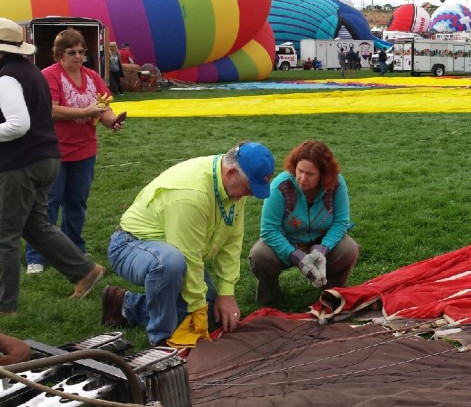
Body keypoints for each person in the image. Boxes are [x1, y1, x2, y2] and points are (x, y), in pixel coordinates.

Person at [102, 141, 275, 347]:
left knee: (214, 315)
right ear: (230, 173)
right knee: (170, 264)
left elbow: (232, 241)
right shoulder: (191, 194)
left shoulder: (233, 188)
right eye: (249, 188)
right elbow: (187, 256)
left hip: (177, 251)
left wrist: (226, 293)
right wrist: (196, 309)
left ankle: (124, 304)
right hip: (132, 245)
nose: (251, 194)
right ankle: (162, 340)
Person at [0, 18, 105, 314]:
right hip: (47, 158)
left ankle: (5, 306)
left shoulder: (6, 77)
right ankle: (85, 271)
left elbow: (18, 125)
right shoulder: (30, 71)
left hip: (20, 163)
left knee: (5, 234)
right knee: (35, 225)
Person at [24, 29, 126, 274]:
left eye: (81, 51)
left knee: (77, 203)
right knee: (48, 203)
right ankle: (37, 255)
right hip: (52, 151)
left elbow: (102, 107)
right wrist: (85, 112)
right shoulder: (49, 76)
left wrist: (111, 121)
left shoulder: (92, 76)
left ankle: (74, 248)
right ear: (60, 54)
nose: (78, 56)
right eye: (72, 52)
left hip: (85, 150)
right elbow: (50, 109)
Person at [248, 140, 359, 306]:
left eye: (310, 174)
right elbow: (269, 230)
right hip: (287, 241)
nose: (302, 178)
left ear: (324, 174)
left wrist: (323, 248)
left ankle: (332, 291)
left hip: (321, 239)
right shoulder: (280, 185)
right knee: (260, 254)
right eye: (300, 171)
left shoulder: (336, 184)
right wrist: (297, 256)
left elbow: (341, 223)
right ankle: (270, 294)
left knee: (349, 249)